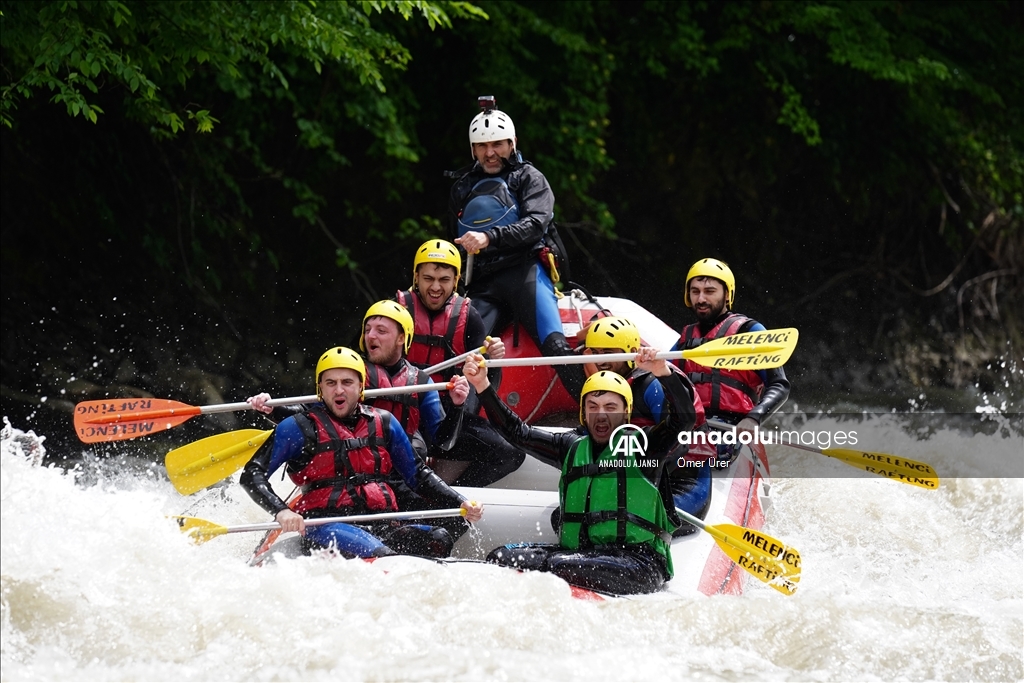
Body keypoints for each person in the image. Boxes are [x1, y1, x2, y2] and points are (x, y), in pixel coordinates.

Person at [462, 347, 696, 596]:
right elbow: (518, 433)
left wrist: (663, 373)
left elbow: (684, 420)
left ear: (626, 413)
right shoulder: (570, 447)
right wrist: (483, 385)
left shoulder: (644, 446)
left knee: (560, 565)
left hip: (639, 562)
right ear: (583, 413)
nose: (601, 415)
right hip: (583, 556)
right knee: (501, 557)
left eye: (610, 406)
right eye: (593, 406)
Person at [240, 346, 483, 559]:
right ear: (320, 389)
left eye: (347, 382)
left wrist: (459, 501)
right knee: (381, 554)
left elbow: (417, 474)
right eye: (330, 383)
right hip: (326, 526)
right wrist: (281, 511)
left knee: (438, 538)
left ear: (361, 387)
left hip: (381, 522)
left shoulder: (385, 422)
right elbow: (252, 474)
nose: (338, 391)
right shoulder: (298, 428)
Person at [447, 96, 584, 400]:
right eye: (482, 146)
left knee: (556, 346)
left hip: (526, 273)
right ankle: (463, 432)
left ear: (512, 143)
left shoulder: (529, 178)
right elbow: (453, 240)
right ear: (473, 149)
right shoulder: (462, 187)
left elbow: (536, 224)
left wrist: (489, 238)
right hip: (483, 281)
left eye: (497, 144)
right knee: (463, 354)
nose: (490, 153)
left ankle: (598, 417)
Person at [395, 239, 527, 486]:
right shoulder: (395, 314)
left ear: (455, 281)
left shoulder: (470, 317)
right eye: (428, 279)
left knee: (511, 453)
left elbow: (484, 385)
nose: (436, 287)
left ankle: (451, 496)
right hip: (401, 414)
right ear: (416, 277)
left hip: (447, 419)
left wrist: (491, 361)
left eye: (444, 280)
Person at [581, 316, 714, 528]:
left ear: (630, 350)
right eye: (595, 353)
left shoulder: (652, 385)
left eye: (607, 352)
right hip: (641, 478)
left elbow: (675, 443)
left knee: (619, 521)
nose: (600, 361)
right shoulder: (607, 386)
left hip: (682, 481)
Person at [673, 258, 791, 460]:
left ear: (727, 295)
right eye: (695, 291)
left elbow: (779, 385)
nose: (701, 299)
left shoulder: (749, 332)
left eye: (709, 292)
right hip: (692, 427)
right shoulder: (686, 337)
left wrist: (753, 419)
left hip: (732, 427)